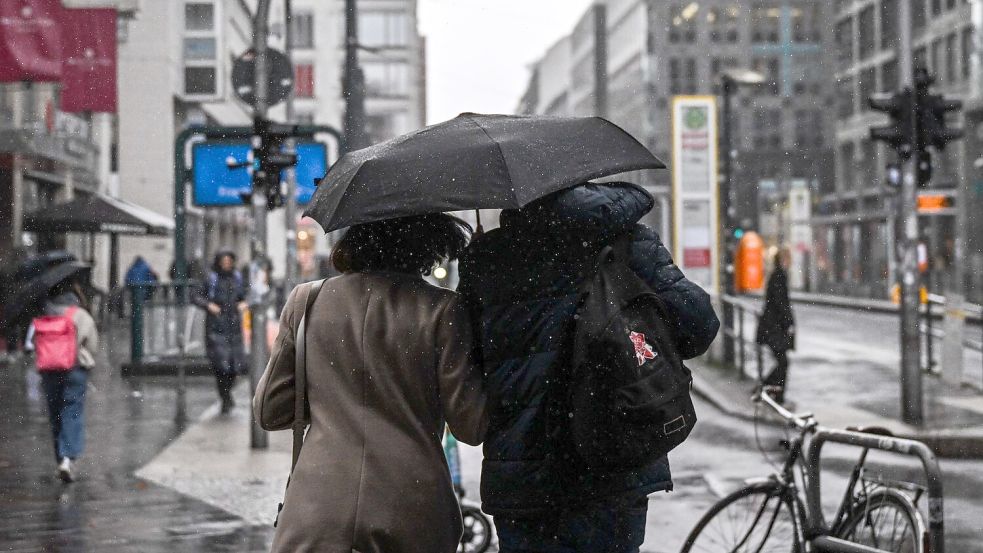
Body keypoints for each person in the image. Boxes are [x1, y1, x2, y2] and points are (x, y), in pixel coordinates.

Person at [458, 182, 720, 553]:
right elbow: (698, 327)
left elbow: (466, 360)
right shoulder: (627, 242)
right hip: (614, 462)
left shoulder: (488, 259)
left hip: (523, 478)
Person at [253, 214, 487, 553]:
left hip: (320, 507)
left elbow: (270, 411)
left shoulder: (307, 301)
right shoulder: (443, 310)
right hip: (410, 506)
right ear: (427, 243)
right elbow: (471, 425)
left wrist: (330, 391)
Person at [29, 275, 98, 483]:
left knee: (55, 414)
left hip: (49, 371)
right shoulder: (80, 315)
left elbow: (34, 342)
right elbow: (92, 344)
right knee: (72, 411)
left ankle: (60, 458)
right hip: (75, 369)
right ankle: (67, 459)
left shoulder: (45, 312)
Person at [193, 251, 248, 414]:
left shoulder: (237, 278)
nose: (226, 264)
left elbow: (246, 295)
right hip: (216, 327)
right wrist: (209, 305)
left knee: (234, 367)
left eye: (229, 261)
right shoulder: (211, 279)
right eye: (224, 261)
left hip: (234, 328)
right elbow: (195, 296)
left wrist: (244, 303)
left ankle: (227, 394)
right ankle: (225, 398)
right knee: (220, 366)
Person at [756, 247, 795, 404]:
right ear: (783, 259)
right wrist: (789, 323)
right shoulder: (779, 276)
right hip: (774, 328)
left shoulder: (776, 275)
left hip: (772, 327)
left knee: (782, 361)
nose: (790, 261)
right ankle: (772, 391)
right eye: (788, 258)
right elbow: (781, 303)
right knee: (783, 362)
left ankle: (769, 389)